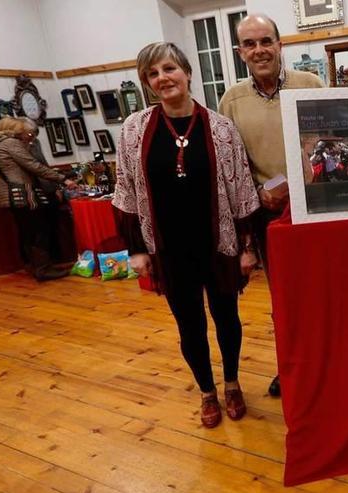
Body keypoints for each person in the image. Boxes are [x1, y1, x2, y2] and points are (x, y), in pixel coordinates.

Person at [112, 42, 260, 429]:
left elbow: (241, 187)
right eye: (153, 74)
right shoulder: (133, 130)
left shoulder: (222, 128)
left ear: (187, 72)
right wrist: (137, 250)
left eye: (169, 69)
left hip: (218, 243)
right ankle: (207, 392)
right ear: (148, 83)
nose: (163, 78)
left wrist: (246, 247)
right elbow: (125, 189)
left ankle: (232, 383)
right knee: (188, 324)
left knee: (227, 318)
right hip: (169, 248)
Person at [219, 13, 325, 398]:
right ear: (240, 52)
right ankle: (292, 367)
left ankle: (326, 363)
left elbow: (328, 143)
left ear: (281, 45)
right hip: (268, 215)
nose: (259, 50)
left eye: (266, 41)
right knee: (283, 299)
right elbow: (231, 162)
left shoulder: (310, 84)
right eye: (250, 44)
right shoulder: (231, 99)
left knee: (319, 292)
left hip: (314, 210)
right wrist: (258, 194)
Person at [0, 117, 78, 281]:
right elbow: (33, 165)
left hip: (11, 194)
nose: (31, 137)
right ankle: (43, 269)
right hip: (22, 193)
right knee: (37, 231)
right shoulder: (10, 143)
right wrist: (63, 179)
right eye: (28, 133)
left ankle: (36, 266)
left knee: (28, 231)